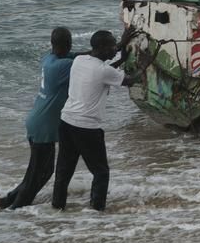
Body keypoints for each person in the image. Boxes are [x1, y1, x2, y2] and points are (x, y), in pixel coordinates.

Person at [51, 28, 143, 212]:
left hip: (67, 122)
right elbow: (131, 80)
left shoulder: (79, 60)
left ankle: (57, 207)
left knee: (64, 170)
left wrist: (122, 56)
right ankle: (96, 212)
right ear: (101, 47)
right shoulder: (103, 70)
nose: (114, 49)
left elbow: (103, 72)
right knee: (101, 172)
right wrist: (146, 63)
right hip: (87, 128)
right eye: (111, 45)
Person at [0, 27, 78, 210]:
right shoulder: (63, 66)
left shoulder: (49, 59)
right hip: (43, 126)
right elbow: (90, 61)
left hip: (38, 121)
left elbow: (80, 55)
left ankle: (9, 200)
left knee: (38, 171)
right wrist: (120, 47)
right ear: (69, 43)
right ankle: (16, 209)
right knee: (38, 173)